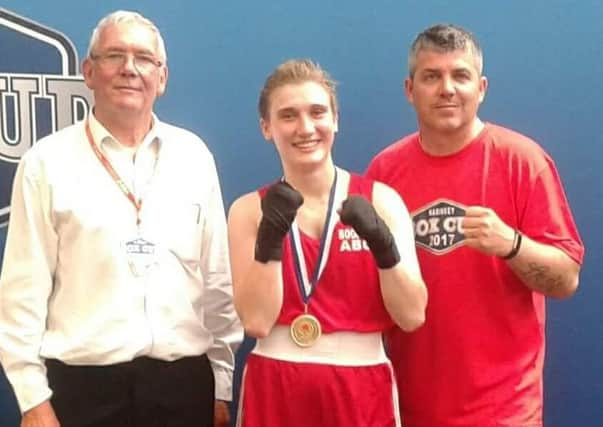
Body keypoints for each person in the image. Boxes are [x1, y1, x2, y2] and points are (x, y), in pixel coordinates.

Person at [0, 10, 242, 427]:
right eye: (115, 55)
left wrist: (220, 384)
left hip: (183, 387)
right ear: (89, 71)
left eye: (144, 58)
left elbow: (218, 282)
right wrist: (32, 400)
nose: (130, 68)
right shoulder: (47, 162)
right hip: (82, 391)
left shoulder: (194, 157)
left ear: (161, 78)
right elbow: (23, 293)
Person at [366, 24, 585, 426]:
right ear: (409, 89)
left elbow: (566, 279)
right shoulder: (384, 172)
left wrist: (513, 245)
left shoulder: (524, 161)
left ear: (481, 87)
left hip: (505, 412)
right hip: (409, 407)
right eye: (431, 76)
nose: (447, 88)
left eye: (460, 75)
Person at [227, 59, 427, 427]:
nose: (305, 128)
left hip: (361, 384)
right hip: (276, 381)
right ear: (266, 127)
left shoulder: (382, 201)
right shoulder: (249, 210)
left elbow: (412, 315)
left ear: (335, 120)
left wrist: (384, 247)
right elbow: (256, 321)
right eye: (288, 116)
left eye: (317, 112)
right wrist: (271, 238)